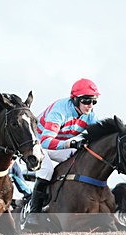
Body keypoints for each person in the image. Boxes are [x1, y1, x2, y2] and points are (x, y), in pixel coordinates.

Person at [28, 78, 100, 215]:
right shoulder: (59, 111)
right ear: (75, 99)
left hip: (56, 144)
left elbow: (98, 136)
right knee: (47, 169)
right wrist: (69, 143)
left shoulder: (89, 115)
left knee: (79, 158)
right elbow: (45, 142)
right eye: (86, 100)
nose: (90, 105)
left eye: (93, 101)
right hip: (37, 144)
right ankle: (34, 213)